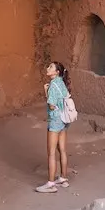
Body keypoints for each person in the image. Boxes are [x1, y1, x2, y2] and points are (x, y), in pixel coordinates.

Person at [36, 61, 71, 193]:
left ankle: (50, 184)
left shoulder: (52, 85)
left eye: (51, 67)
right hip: (64, 119)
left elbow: (51, 105)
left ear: (57, 72)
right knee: (62, 150)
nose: (48, 68)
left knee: (51, 153)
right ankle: (63, 179)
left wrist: (46, 91)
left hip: (55, 120)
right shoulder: (61, 82)